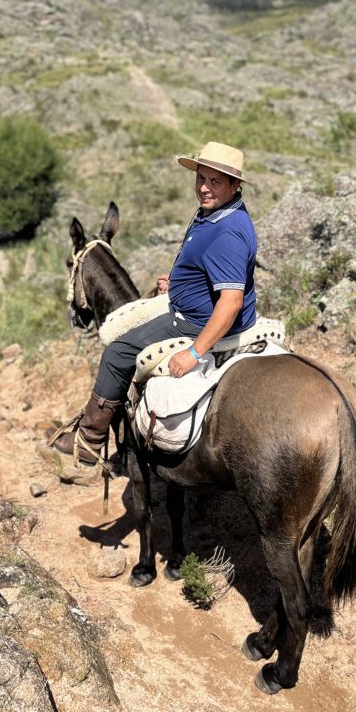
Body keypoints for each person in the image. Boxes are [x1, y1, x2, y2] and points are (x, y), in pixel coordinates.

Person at [52, 141, 257, 467]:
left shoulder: (228, 232)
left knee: (118, 351)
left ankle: (89, 441)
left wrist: (194, 353)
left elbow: (230, 302)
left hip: (193, 322)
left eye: (215, 181)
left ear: (235, 184)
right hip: (191, 305)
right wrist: (180, 284)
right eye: (200, 178)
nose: (204, 188)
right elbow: (210, 269)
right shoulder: (215, 213)